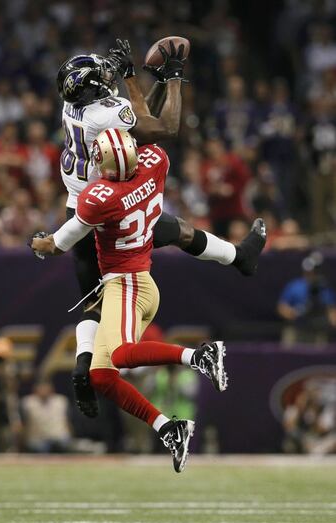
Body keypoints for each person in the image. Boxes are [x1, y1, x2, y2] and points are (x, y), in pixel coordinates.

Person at [55, 39, 267, 420]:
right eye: (101, 76)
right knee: (178, 231)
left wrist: (143, 81)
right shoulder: (105, 116)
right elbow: (163, 126)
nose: (109, 78)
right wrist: (168, 78)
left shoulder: (75, 107)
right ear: (91, 88)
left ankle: (81, 368)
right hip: (113, 207)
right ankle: (239, 258)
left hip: (82, 207)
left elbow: (138, 121)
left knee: (93, 299)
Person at [31, 129, 266, 472]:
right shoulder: (156, 162)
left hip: (127, 284)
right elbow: (148, 141)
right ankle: (168, 428)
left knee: (123, 354)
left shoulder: (100, 197)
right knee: (101, 377)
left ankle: (199, 356)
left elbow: (56, 244)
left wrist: (36, 243)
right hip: (134, 281)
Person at [277, 252, 336, 344]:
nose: (311, 274)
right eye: (309, 271)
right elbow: (282, 308)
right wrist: (294, 313)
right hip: (297, 328)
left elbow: (332, 312)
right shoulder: (294, 286)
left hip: (318, 330)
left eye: (315, 271)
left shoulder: (324, 288)